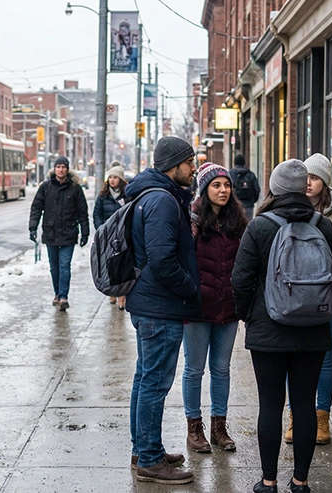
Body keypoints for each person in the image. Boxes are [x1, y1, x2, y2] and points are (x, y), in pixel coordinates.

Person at [232, 159, 332, 493]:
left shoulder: (260, 226)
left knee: (270, 404)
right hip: (312, 331)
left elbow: (240, 280)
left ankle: (268, 482)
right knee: (304, 404)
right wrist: (318, 310)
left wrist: (248, 315)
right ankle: (300, 481)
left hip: (267, 330)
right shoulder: (323, 225)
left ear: (275, 188)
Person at [126, 136, 201, 485]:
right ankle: (151, 461)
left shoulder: (152, 195)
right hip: (160, 305)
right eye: (189, 162)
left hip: (149, 301)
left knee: (145, 379)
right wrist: (191, 289)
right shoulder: (163, 200)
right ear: (173, 165)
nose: (193, 168)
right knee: (154, 383)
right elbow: (162, 259)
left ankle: (144, 448)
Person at [282, 153, 332, 445]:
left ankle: (321, 419)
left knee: (325, 358)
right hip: (294, 297)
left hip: (330, 297)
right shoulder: (289, 206)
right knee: (294, 356)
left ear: (324, 182)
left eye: (314, 178)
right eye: (306, 178)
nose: (308, 183)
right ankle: (294, 418)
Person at [183, 162, 247, 455]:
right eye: (216, 185)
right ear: (205, 189)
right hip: (198, 309)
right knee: (194, 369)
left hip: (228, 307)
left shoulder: (238, 221)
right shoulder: (193, 219)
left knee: (221, 369)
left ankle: (219, 427)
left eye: (227, 185)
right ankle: (194, 429)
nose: (223, 190)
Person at [29, 156, 90, 311]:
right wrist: (33, 228)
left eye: (63, 167)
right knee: (54, 267)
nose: (61, 169)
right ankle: (57, 293)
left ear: (67, 169)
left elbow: (83, 212)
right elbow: (36, 208)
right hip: (51, 233)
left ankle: (63, 296)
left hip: (69, 233)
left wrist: (85, 233)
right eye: (58, 167)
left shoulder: (75, 189)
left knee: (64, 265)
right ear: (54, 169)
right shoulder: (46, 187)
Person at [93, 163, 128, 309]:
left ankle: (122, 295)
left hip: (123, 236)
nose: (112, 180)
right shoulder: (103, 195)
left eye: (115, 177)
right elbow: (97, 214)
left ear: (120, 179)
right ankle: (112, 292)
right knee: (110, 264)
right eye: (110, 177)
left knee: (123, 265)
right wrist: (101, 229)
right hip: (107, 236)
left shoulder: (127, 195)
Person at [228, 154, 261, 218]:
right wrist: (252, 201)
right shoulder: (251, 174)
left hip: (233, 205)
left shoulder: (230, 174)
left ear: (234, 162)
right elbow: (257, 190)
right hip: (248, 206)